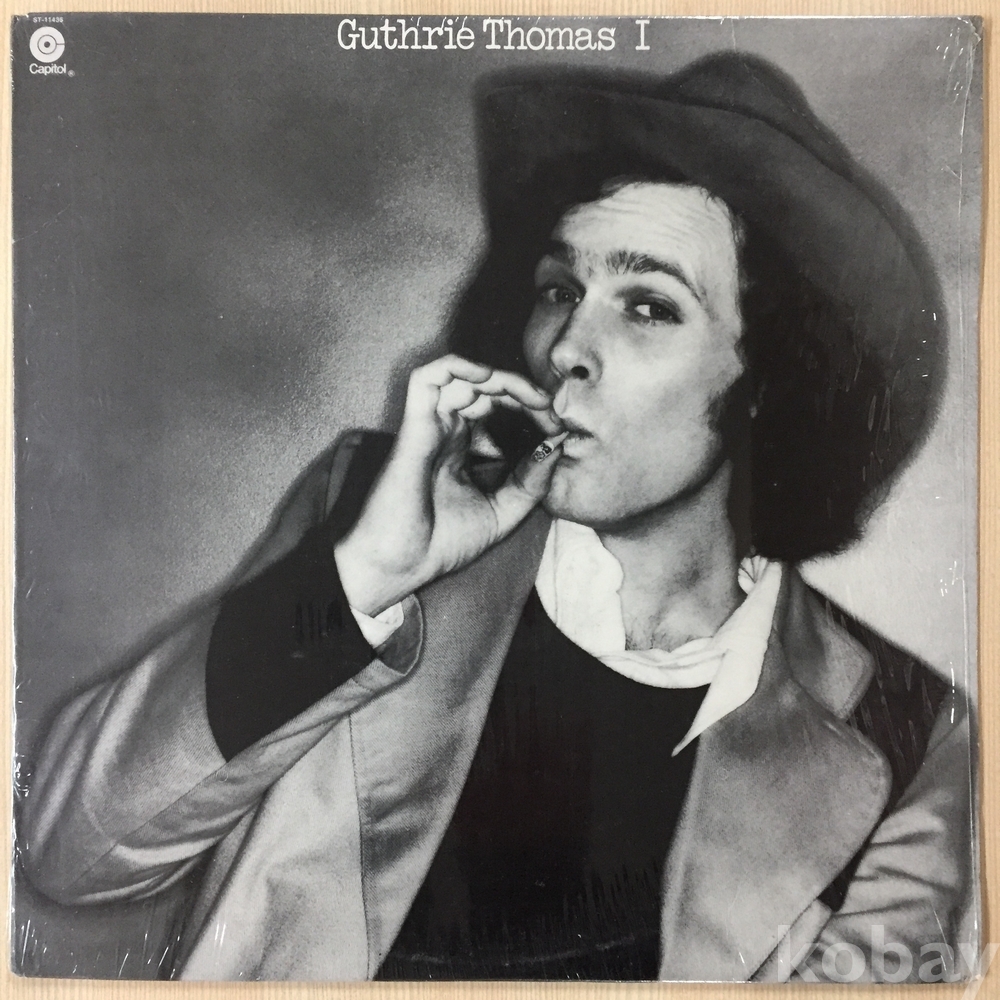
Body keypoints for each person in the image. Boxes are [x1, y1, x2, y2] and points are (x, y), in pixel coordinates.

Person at [20, 53, 973, 983]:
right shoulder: (375, 515)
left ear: (773, 378)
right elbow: (70, 854)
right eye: (561, 290)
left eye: (647, 306)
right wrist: (363, 581)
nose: (565, 348)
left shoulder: (905, 732)